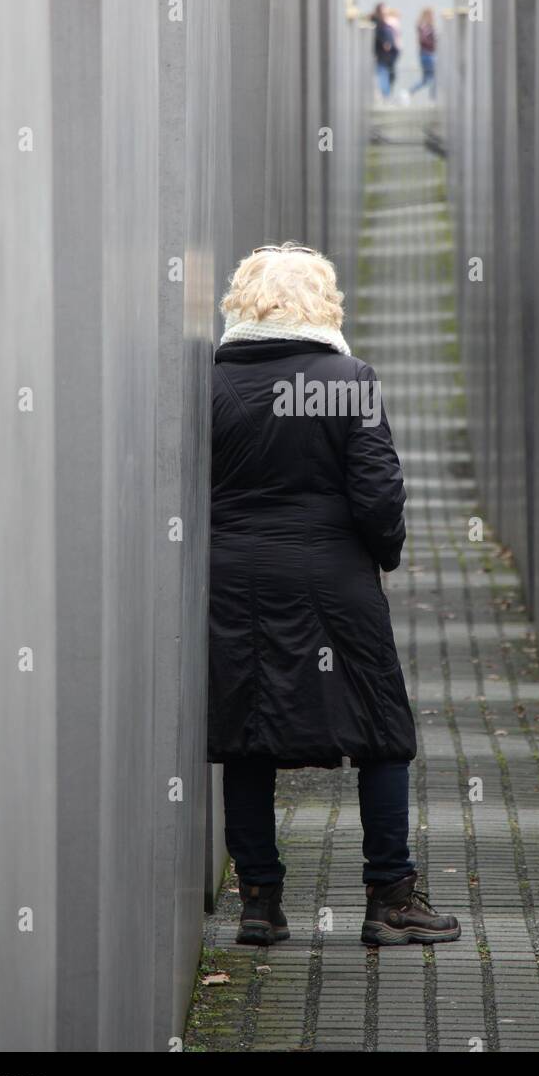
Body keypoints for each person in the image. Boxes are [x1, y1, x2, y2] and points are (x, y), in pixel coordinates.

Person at [209, 242, 462, 949]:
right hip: (333, 578)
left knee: (245, 734)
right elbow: (378, 490)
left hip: (235, 579)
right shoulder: (345, 379)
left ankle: (260, 903)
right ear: (322, 305)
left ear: (243, 303)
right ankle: (390, 898)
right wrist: (382, 554)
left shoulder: (207, 384)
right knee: (382, 734)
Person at [372, 2, 396, 101]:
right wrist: (385, 43)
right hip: (381, 54)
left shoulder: (383, 24)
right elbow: (377, 37)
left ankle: (386, 96)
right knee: (383, 74)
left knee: (386, 75)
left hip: (386, 55)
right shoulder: (378, 23)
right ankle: (386, 97)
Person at [411, 7, 437, 98]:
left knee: (426, 79)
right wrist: (434, 43)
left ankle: (410, 92)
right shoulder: (425, 27)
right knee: (433, 78)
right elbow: (424, 40)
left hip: (426, 54)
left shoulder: (423, 27)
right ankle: (434, 98)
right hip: (428, 54)